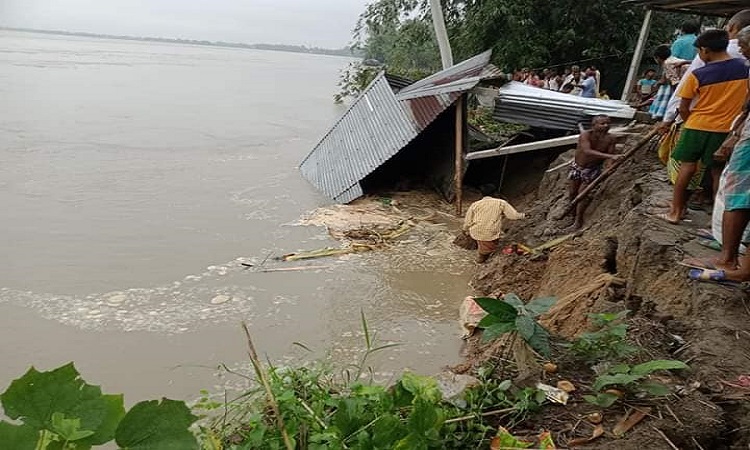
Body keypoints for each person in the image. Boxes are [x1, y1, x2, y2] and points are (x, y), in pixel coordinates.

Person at [656, 29, 749, 225]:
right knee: (717, 172)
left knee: (687, 167)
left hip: (697, 126)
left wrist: (689, 122)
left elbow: (683, 107)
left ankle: (676, 211)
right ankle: (715, 220)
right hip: (725, 130)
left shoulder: (698, 74)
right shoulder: (745, 69)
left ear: (705, 50)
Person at [688, 25, 750, 283]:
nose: (742, 51)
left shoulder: (703, 73)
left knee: (737, 195)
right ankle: (739, 262)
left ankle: (729, 260)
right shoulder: (743, 69)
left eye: (745, 46)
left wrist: (735, 136)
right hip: (737, 131)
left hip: (735, 135)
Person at [659, 10, 750, 133]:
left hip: (699, 121)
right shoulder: (741, 61)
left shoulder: (713, 52)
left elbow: (683, 95)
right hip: (735, 125)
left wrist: (668, 118)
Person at [568, 115, 621, 230]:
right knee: (572, 192)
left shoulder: (611, 138)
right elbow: (587, 151)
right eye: (602, 123)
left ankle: (578, 220)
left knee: (582, 194)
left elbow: (610, 158)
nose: (606, 125)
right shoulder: (585, 135)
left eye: (608, 123)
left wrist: (609, 167)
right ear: (594, 125)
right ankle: (571, 214)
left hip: (592, 169)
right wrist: (611, 156)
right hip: (577, 167)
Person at [463, 186, 526, 263]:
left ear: (481, 194)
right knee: (485, 253)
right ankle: (480, 261)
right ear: (495, 193)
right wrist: (524, 215)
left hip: (476, 231)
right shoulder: (501, 202)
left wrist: (465, 230)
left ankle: (480, 255)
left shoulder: (475, 204)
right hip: (490, 232)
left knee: (485, 245)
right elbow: (513, 216)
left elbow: (468, 221)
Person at [649, 45, 691, 120]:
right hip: (689, 79)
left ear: (658, 58)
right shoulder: (672, 60)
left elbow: (675, 82)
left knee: (677, 103)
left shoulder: (667, 64)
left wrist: (675, 94)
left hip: (687, 82)